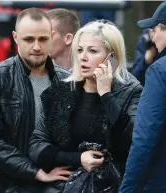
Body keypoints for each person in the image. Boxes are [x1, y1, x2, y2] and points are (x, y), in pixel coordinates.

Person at [30, 20, 143, 193]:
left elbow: (133, 138)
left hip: (114, 185)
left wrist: (106, 94)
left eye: (92, 51)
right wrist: (77, 158)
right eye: (80, 50)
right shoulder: (61, 90)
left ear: (111, 57)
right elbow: (36, 145)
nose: (83, 57)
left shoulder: (131, 91)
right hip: (64, 186)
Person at [0, 8, 71, 193]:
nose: (37, 46)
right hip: (6, 184)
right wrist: (34, 172)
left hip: (54, 184)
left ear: (52, 36)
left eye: (43, 39)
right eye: (29, 39)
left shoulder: (68, 81)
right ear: (15, 38)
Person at [119, 2, 166, 193]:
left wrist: (128, 188)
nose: (152, 36)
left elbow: (145, 136)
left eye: (154, 29)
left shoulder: (160, 70)